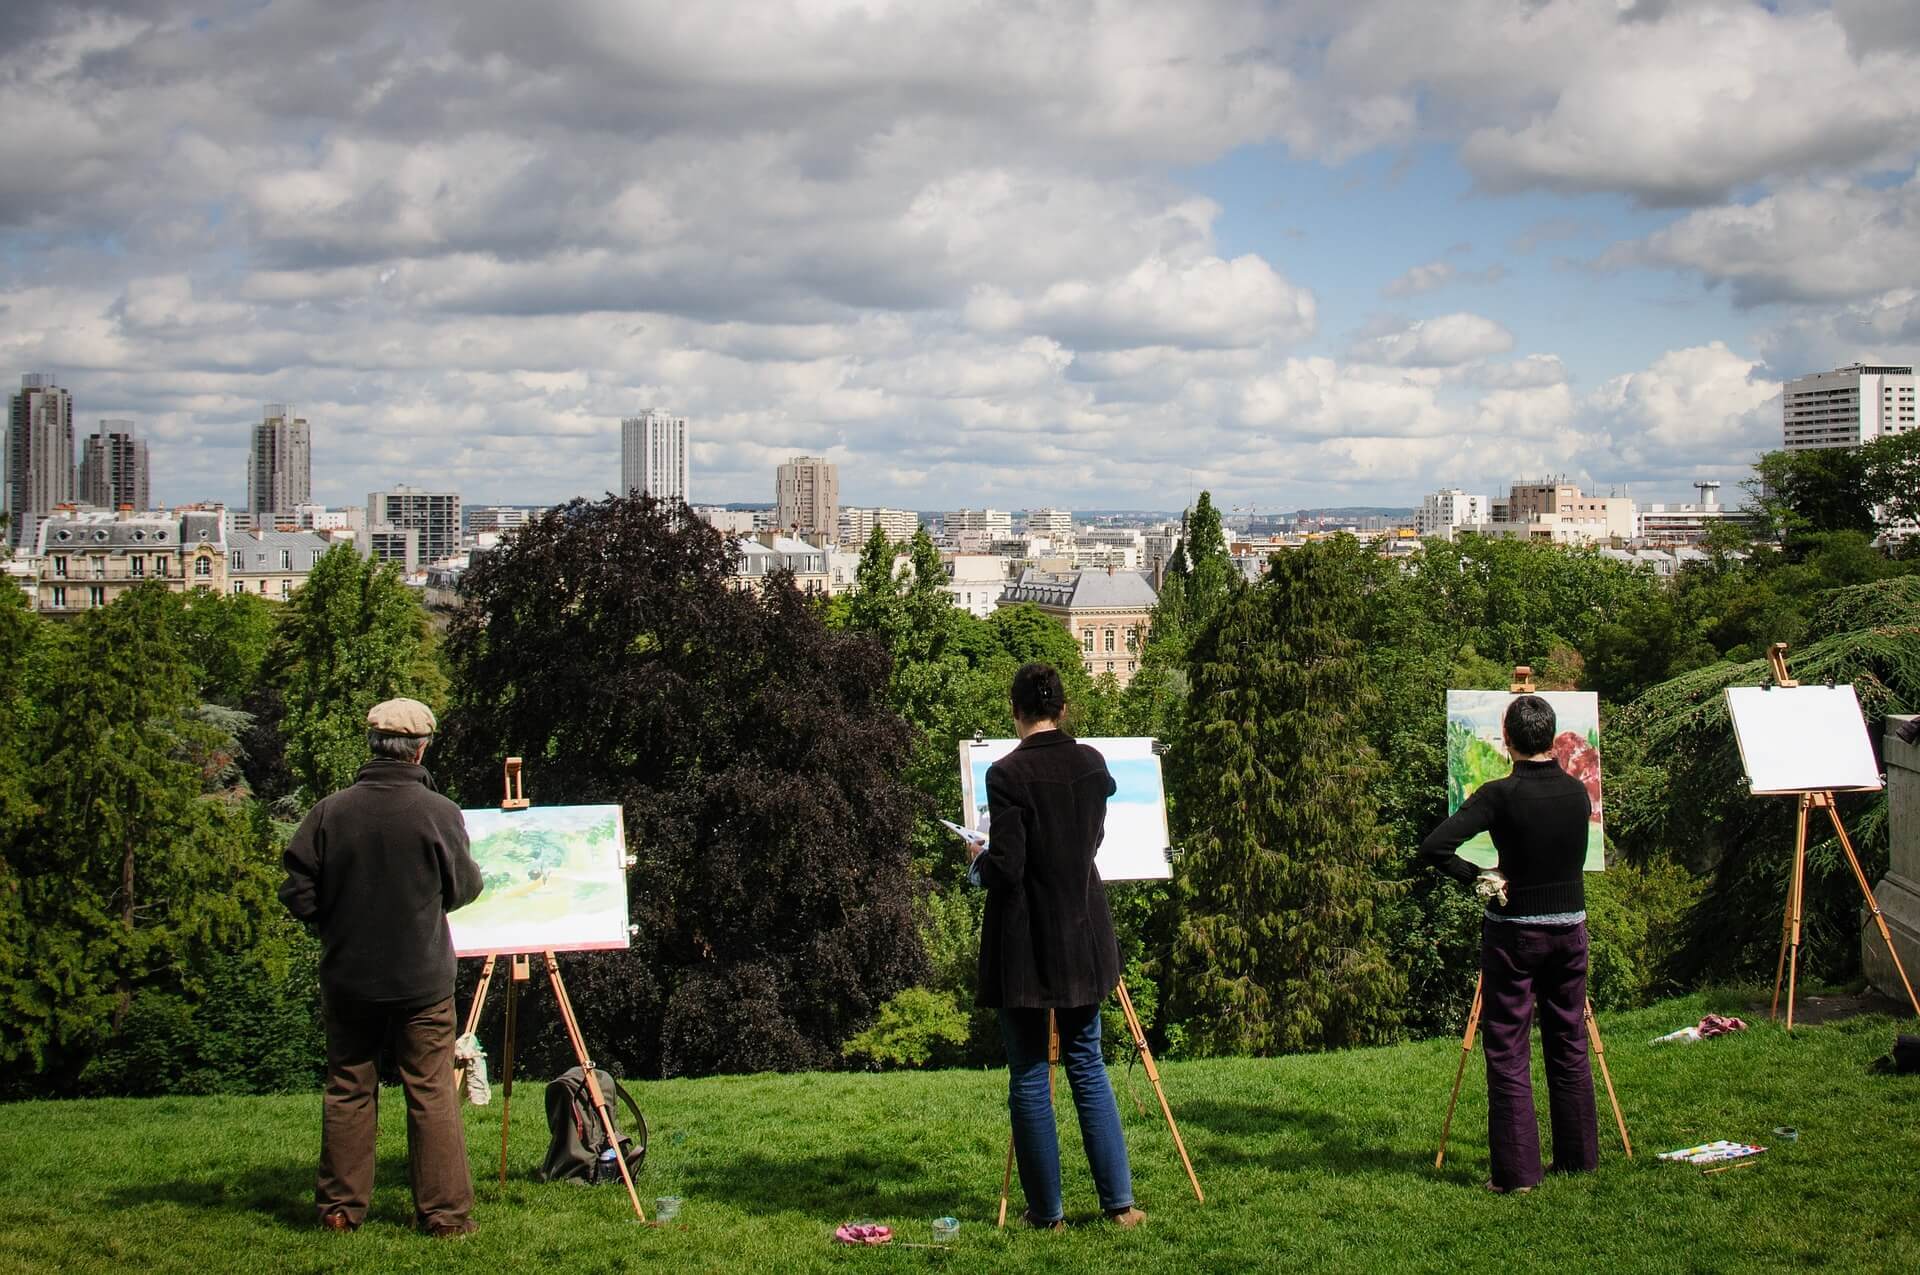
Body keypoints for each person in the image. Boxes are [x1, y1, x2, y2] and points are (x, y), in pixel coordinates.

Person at [278, 698, 485, 1236]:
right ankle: (444, 1217)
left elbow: (297, 889)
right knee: (431, 1090)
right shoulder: (438, 812)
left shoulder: (330, 811)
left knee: (348, 1087)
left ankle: (341, 1211)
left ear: (372, 746)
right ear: (420, 749)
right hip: (422, 980)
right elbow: (464, 889)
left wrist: (333, 924)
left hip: (349, 976)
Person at [967, 662, 1145, 1230]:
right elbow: (1087, 842)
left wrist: (978, 864)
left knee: (1028, 1072)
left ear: (1015, 711)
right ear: (1062, 709)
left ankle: (1047, 1214)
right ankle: (1119, 1205)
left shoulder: (1005, 774)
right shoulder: (1092, 764)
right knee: (1087, 1063)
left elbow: (1009, 866)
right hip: (1082, 930)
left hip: (1025, 939)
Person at [1419, 693, 1599, 1194]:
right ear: (1552, 736)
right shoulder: (1578, 792)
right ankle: (1579, 1158)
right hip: (1571, 929)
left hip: (1516, 929)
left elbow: (1433, 847)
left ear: (1508, 739)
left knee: (1507, 1049)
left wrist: (1479, 876)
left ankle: (1518, 1175)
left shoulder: (1500, 794)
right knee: (1568, 1042)